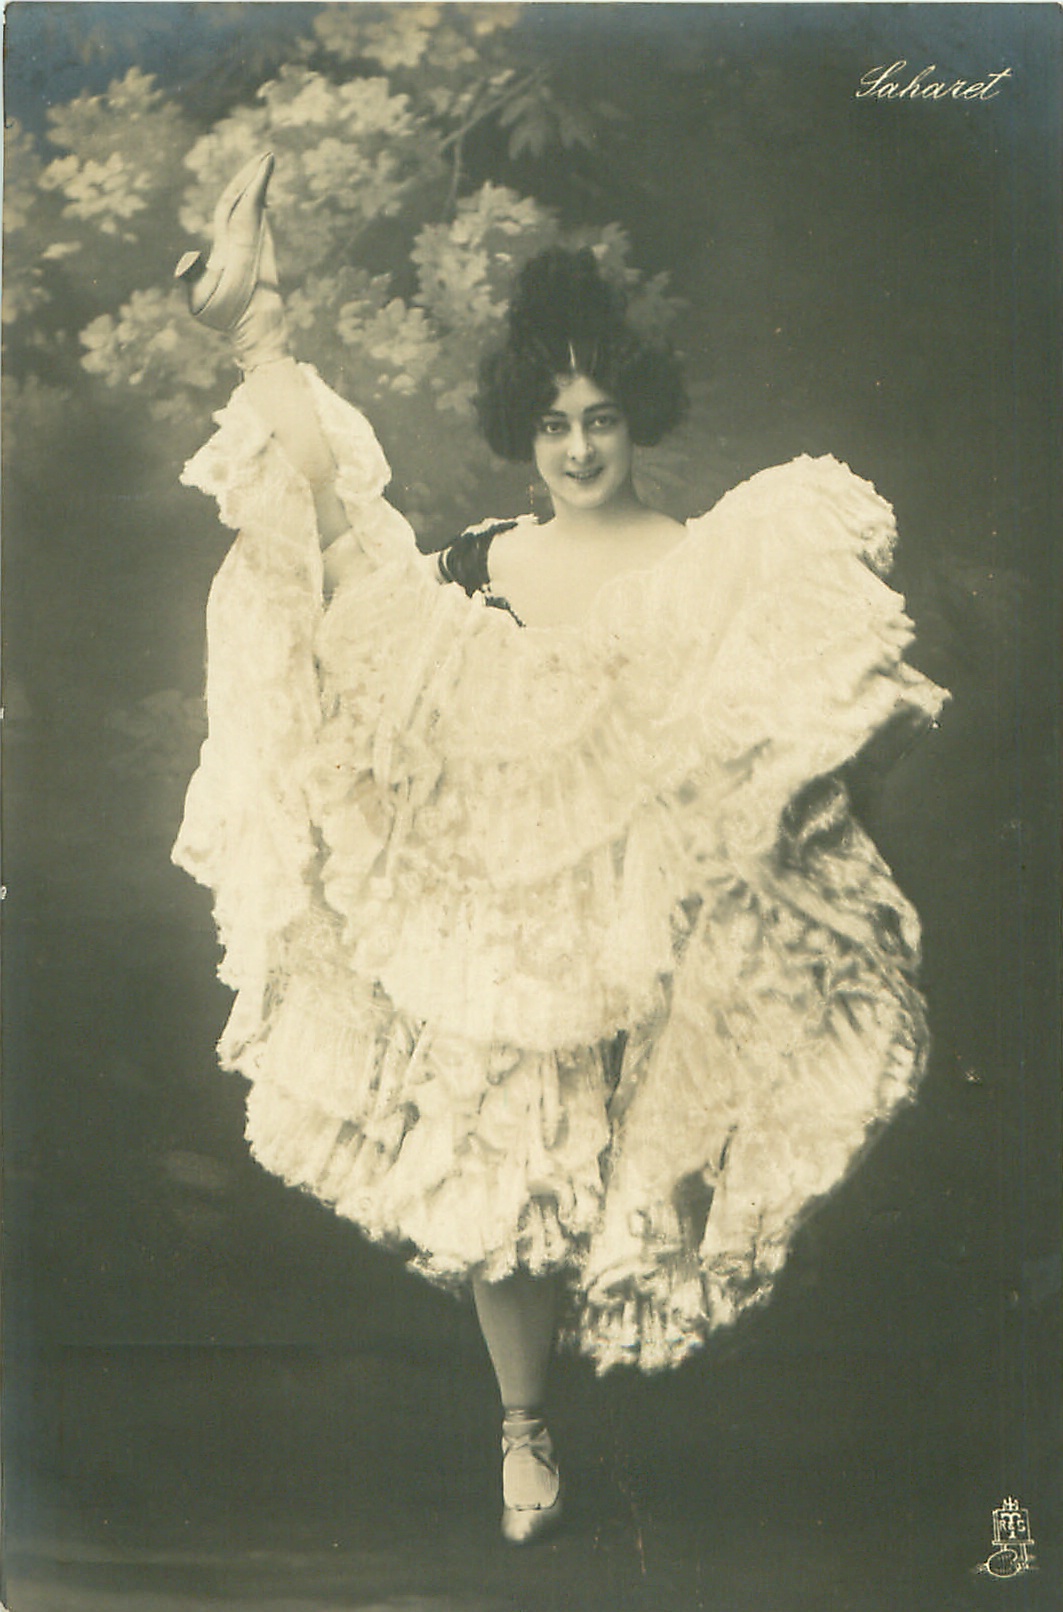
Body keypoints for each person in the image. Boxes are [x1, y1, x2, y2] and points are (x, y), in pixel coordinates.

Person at [172, 153, 946, 1544]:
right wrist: (262, 342)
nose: (578, 449)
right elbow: (345, 552)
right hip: (518, 918)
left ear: (634, 419)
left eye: (598, 420)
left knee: (657, 1158)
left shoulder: (698, 560)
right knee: (510, 1148)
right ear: (522, 434)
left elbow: (783, 713)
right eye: (551, 425)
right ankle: (523, 1429)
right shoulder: (483, 562)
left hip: (657, 914)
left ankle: (693, 1437)